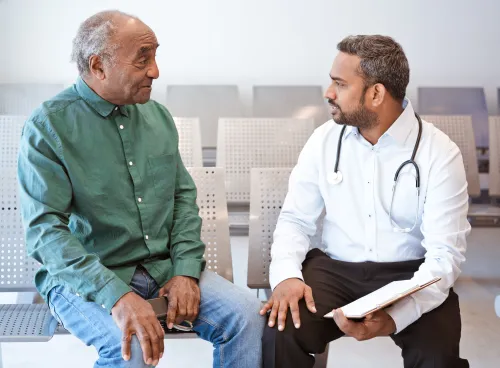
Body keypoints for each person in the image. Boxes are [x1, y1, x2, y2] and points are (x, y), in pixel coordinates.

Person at [18, 10, 264, 368]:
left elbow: (182, 199)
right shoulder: (48, 127)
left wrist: (185, 270)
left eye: (155, 55)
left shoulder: (158, 118)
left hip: (163, 268)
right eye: (142, 58)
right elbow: (45, 233)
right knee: (130, 349)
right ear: (98, 66)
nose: (155, 70)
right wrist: (116, 295)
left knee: (246, 317)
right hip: (85, 277)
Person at [261, 35, 470, 368]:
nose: (328, 93)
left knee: (437, 355)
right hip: (335, 271)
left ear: (376, 94)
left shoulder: (439, 154)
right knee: (280, 329)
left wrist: (396, 316)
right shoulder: (324, 140)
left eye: (340, 84)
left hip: (412, 275)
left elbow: (445, 255)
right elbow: (295, 220)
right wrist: (287, 276)